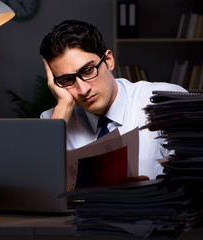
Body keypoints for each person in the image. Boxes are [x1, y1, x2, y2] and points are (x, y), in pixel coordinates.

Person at [39, 20, 186, 180]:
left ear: (108, 60)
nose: (83, 90)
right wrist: (64, 107)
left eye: (88, 71)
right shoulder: (54, 121)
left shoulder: (166, 100)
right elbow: (39, 185)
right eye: (67, 80)